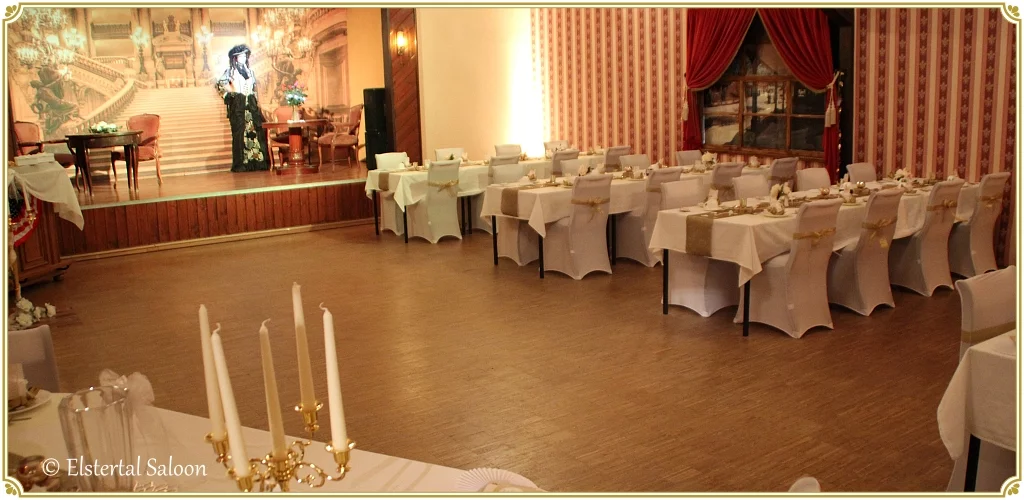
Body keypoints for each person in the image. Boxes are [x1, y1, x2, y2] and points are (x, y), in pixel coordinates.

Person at [215, 44, 269, 172]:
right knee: (240, 134)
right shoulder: (230, 72)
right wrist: (230, 96)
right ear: (235, 58)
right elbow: (220, 86)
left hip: (251, 106)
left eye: (245, 56)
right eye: (241, 56)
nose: (243, 58)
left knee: (255, 132)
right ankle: (241, 163)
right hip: (238, 106)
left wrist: (255, 100)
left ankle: (257, 161)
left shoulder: (250, 71)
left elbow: (254, 89)